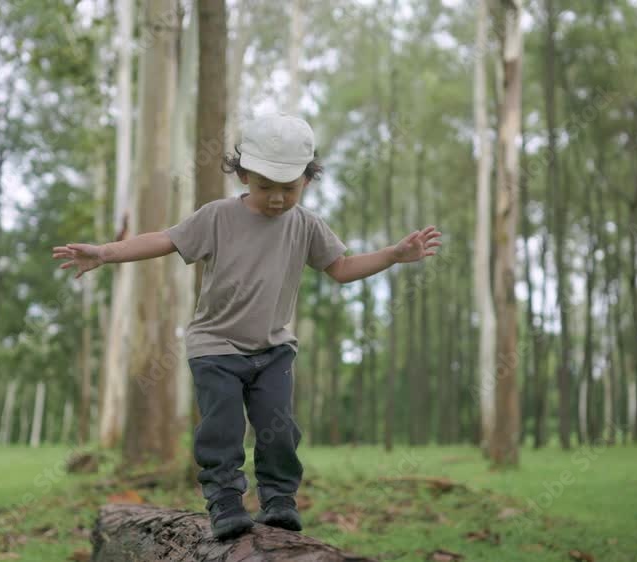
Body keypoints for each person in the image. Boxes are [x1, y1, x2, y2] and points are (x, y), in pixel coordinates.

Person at [52, 113, 442, 540]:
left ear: (307, 179)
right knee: (222, 428)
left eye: (288, 188)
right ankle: (224, 501)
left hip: (273, 349)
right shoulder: (217, 217)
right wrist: (105, 253)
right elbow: (165, 240)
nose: (276, 198)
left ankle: (279, 500)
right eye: (265, 186)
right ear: (243, 175)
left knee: (279, 428)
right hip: (214, 346)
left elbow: (342, 268)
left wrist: (392, 255)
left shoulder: (306, 225)